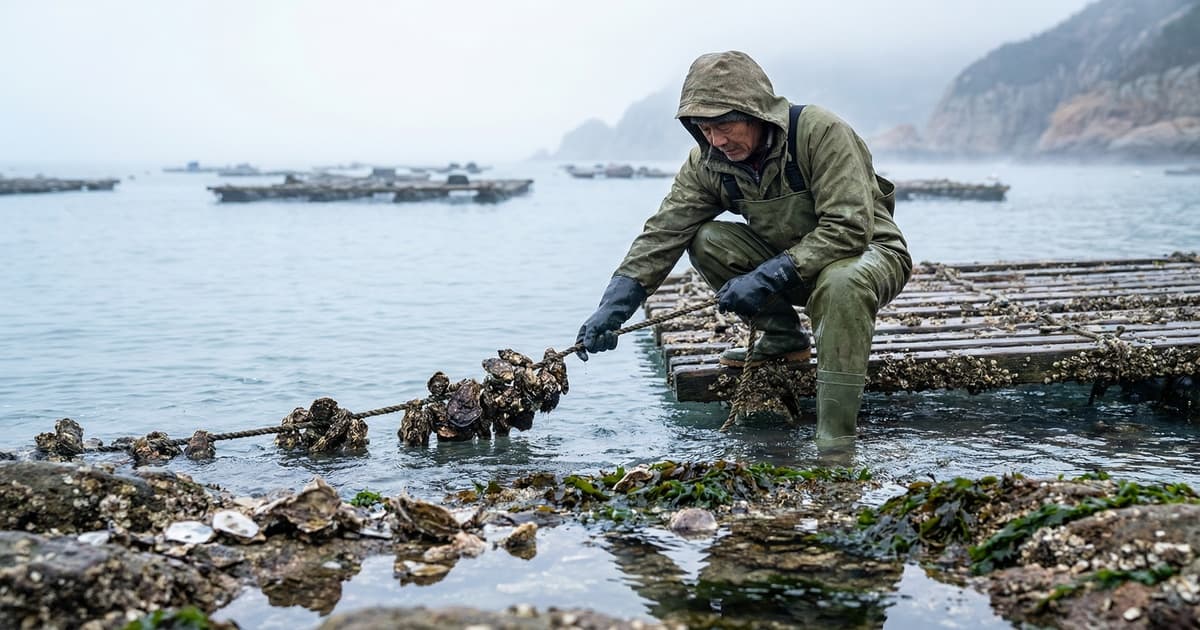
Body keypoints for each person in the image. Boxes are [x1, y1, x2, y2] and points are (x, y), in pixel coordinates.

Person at [575, 50, 912, 445]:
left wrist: (770, 274)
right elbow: (662, 233)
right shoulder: (707, 161)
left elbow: (849, 228)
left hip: (869, 256)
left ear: (756, 112)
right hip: (795, 265)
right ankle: (783, 338)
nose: (717, 140)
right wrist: (612, 308)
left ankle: (834, 443)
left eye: (725, 126)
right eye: (704, 129)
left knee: (840, 283)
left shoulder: (821, 133)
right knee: (705, 240)